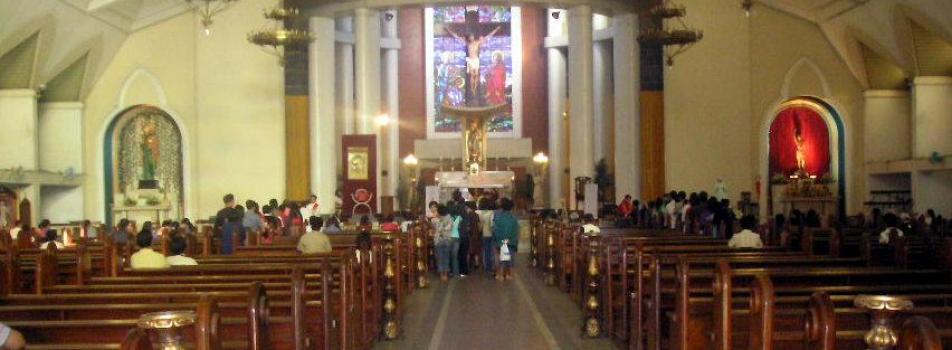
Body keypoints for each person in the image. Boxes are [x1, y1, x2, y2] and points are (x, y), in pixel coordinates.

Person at [492, 198, 519, 281]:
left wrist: (501, 239)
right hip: (511, 241)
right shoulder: (514, 218)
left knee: (503, 258)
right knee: (510, 259)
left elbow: (495, 229)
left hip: (501, 241)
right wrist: (511, 239)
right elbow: (516, 230)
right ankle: (509, 274)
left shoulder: (499, 217)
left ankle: (500, 275)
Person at [433, 205, 453, 282]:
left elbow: (438, 230)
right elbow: (449, 228)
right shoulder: (450, 218)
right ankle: (445, 274)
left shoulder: (438, 220)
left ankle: (442, 274)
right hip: (447, 240)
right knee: (446, 257)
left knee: (440, 258)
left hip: (439, 240)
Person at [476, 198, 495, 275]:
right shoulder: (491, 212)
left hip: (479, 234)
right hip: (489, 234)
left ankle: (481, 264)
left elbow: (477, 224)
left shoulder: (476, 212)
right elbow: (492, 224)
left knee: (481, 250)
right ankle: (488, 267)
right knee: (489, 251)